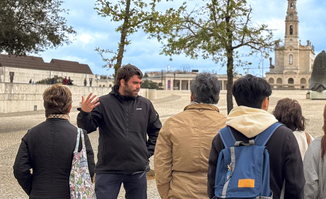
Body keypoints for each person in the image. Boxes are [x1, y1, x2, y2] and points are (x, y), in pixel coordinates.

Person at [207, 74, 305, 199]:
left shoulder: (221, 137)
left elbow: (213, 185)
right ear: (265, 101)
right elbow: (295, 187)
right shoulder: (284, 136)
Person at [77, 64, 162, 199]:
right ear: (122, 82)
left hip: (137, 170)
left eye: (140, 83)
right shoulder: (103, 103)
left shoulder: (145, 105)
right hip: (108, 169)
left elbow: (157, 132)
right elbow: (86, 128)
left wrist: (146, 152)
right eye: (135, 83)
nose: (138, 86)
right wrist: (85, 113)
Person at [13, 84, 95, 199]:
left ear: (45, 106)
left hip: (38, 193)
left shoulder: (31, 134)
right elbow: (89, 169)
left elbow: (19, 170)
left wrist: (33, 189)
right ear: (69, 108)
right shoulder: (80, 135)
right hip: (68, 194)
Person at [154, 72, 226, 198]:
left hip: (180, 193)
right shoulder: (227, 125)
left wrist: (166, 195)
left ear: (192, 96)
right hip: (217, 192)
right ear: (217, 97)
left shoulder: (172, 123)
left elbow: (162, 167)